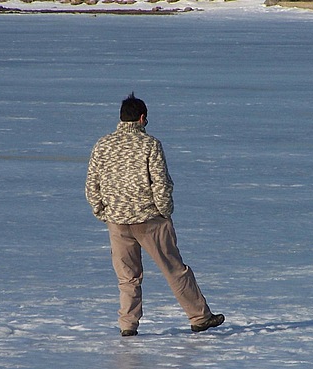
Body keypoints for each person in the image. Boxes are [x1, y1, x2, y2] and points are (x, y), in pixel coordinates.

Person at [86, 93, 225, 337]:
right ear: (142, 119)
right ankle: (200, 317)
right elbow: (161, 184)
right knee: (174, 269)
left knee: (127, 278)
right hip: (150, 219)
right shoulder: (150, 144)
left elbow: (91, 185)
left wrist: (102, 212)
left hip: (117, 221)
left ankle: (128, 325)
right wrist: (164, 211)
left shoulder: (102, 144)